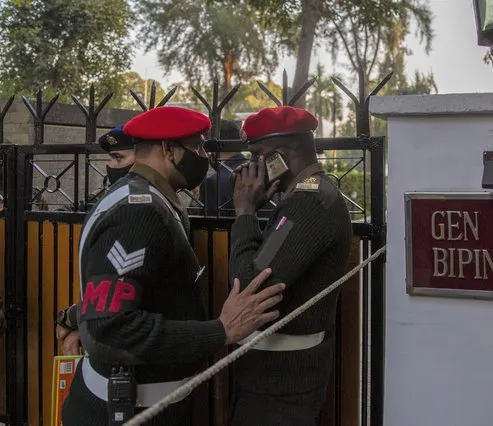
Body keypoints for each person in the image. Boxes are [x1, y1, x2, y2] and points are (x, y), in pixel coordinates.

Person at [61, 106, 286, 426]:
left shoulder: (144, 196)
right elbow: (110, 329)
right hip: (128, 411)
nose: (204, 157)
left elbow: (122, 296)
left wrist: (72, 316)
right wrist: (221, 330)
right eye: (196, 147)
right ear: (169, 149)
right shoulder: (139, 212)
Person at [227, 106, 353, 426]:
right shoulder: (302, 195)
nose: (251, 166)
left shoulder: (308, 200)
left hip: (281, 385)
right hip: (275, 378)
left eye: (257, 155)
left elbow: (249, 284)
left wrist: (244, 213)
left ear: (279, 156)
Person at [55, 125, 136, 355]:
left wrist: (70, 319)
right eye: (110, 158)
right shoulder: (107, 199)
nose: (111, 167)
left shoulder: (139, 209)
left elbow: (120, 290)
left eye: (119, 157)